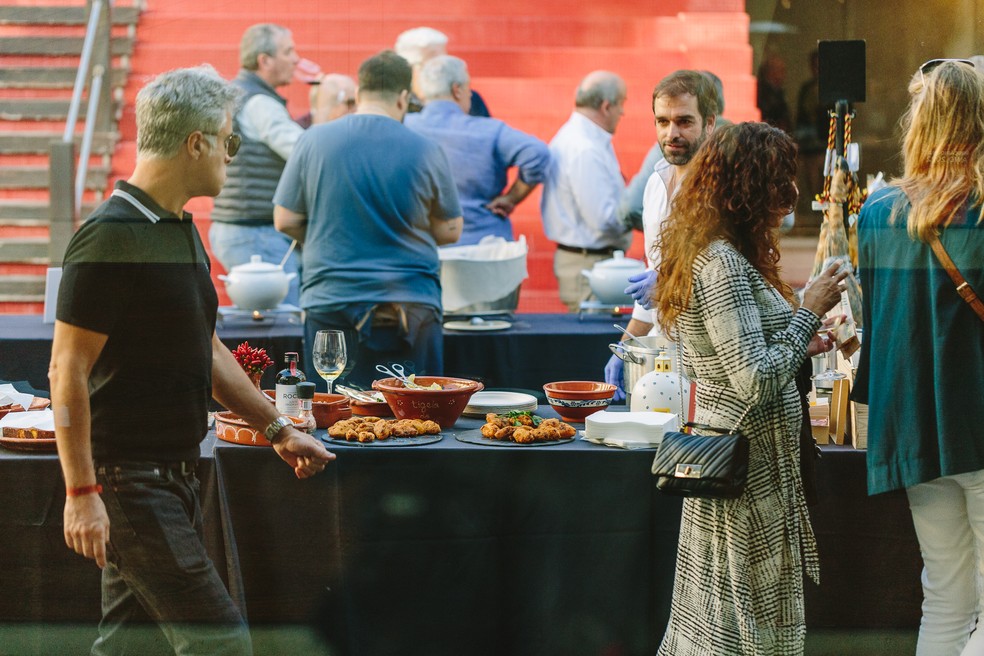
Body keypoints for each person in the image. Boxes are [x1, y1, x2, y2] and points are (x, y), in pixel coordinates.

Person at [49, 65, 333, 655]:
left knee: (127, 647)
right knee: (222, 645)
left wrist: (278, 429)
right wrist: (81, 493)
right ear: (196, 142)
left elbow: (203, 349)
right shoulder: (110, 235)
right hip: (131, 484)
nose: (233, 154)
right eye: (229, 140)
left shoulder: (178, 228)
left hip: (172, 478)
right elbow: (65, 370)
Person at [651, 122, 848, 655]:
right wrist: (809, 311)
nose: (793, 193)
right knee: (740, 624)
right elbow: (755, 381)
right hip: (745, 467)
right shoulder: (723, 265)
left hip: (735, 459)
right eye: (780, 179)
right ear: (748, 186)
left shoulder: (712, 252)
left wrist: (798, 337)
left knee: (718, 615)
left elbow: (739, 354)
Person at [853, 58, 984, 656]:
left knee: (947, 597)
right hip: (977, 421)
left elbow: (877, 324)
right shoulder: (978, 209)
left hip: (913, 430)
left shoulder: (878, 213)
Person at [273, 50, 462, 389]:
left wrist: (325, 234)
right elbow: (450, 229)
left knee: (332, 416)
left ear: (359, 94)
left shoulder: (313, 139)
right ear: (404, 98)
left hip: (331, 300)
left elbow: (285, 220)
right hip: (413, 303)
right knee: (420, 417)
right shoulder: (426, 148)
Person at [604, 70, 719, 400]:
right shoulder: (656, 181)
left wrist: (669, 286)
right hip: (663, 356)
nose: (672, 133)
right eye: (663, 121)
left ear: (709, 123)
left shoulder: (724, 187)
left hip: (713, 361)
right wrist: (625, 347)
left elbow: (735, 281)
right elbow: (650, 290)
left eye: (685, 121)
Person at [405, 55, 550, 245]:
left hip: (422, 244)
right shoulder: (490, 131)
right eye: (468, 88)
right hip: (484, 245)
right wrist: (512, 197)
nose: (471, 94)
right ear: (457, 90)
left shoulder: (404, 127)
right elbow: (538, 153)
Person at [210, 23, 304, 306]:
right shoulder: (259, 101)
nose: (296, 59)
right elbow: (306, 152)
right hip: (255, 233)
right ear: (265, 60)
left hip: (240, 228)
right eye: (288, 51)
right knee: (282, 322)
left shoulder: (240, 95)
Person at [540, 70, 631, 311]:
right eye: (622, 104)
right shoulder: (585, 148)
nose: (623, 112)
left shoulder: (583, 140)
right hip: (590, 264)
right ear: (606, 106)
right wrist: (640, 215)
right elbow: (604, 219)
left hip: (590, 262)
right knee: (596, 343)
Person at [394, 26, 491, 117]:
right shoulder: (395, 102)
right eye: (433, 64)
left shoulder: (468, 97)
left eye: (445, 61)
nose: (442, 68)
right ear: (409, 67)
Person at [757, 54, 791, 133]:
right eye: (781, 70)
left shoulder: (779, 92)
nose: (784, 74)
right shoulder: (763, 92)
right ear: (771, 72)